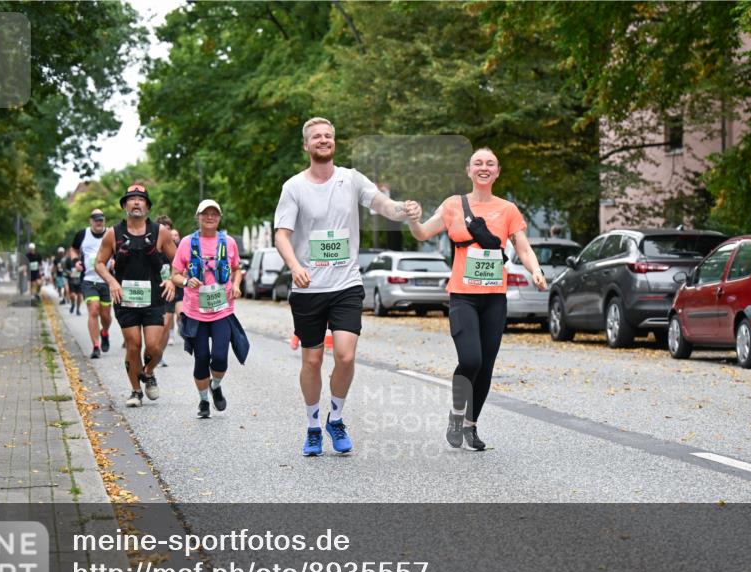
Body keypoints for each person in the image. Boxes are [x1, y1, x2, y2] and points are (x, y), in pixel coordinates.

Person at [273, 116, 421, 456]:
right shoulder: (293, 187)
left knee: (346, 354)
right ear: (306, 145)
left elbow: (382, 204)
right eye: (317, 137)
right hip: (309, 287)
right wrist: (295, 266)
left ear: (334, 142)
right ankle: (313, 426)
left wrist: (404, 209)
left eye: (328, 135)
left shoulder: (351, 179)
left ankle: (336, 418)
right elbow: (282, 234)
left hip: (346, 284)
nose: (323, 140)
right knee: (312, 361)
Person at [404, 147, 547, 451]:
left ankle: (471, 424)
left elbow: (522, 247)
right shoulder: (453, 205)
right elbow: (423, 233)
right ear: (468, 171)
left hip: (494, 299)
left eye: (490, 164)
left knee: (486, 366)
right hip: (463, 297)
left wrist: (535, 270)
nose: (484, 167)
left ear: (497, 172)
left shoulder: (508, 209)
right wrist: (413, 220)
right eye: (478, 163)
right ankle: (457, 414)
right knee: (471, 360)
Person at [94, 183, 177, 407]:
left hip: (154, 298)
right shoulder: (113, 233)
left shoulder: (160, 232)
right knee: (133, 345)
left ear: (147, 207)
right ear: (125, 206)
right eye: (131, 199)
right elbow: (99, 263)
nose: (136, 202)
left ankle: (148, 372)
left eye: (141, 199)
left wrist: (172, 279)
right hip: (125, 298)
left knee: (154, 347)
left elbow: (179, 261)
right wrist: (112, 282)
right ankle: (136, 391)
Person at [171, 199, 244, 417]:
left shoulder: (228, 242)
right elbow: (174, 275)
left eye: (214, 214)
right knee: (201, 358)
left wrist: (236, 285)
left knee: (220, 357)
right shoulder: (187, 243)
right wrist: (186, 281)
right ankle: (203, 401)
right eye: (205, 214)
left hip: (222, 310)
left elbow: (236, 269)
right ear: (198, 217)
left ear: (219, 218)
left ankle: (216, 386)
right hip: (195, 312)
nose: (210, 217)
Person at [72, 209, 113, 358]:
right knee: (93, 310)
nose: (98, 222)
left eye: (101, 220)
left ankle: (105, 332)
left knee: (106, 316)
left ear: (104, 220)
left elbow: (119, 251)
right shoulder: (82, 234)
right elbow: (73, 249)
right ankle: (96, 346)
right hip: (88, 279)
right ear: (91, 221)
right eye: (96, 220)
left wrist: (115, 261)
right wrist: (75, 261)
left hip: (106, 280)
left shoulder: (111, 233)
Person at [155, 215, 181, 366]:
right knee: (155, 327)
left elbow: (180, 266)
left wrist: (172, 279)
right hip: (153, 291)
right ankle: (153, 352)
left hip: (169, 290)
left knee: (166, 325)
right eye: (163, 228)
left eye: (169, 228)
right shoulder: (151, 246)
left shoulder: (174, 247)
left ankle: (159, 354)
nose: (167, 231)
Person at [62, 247, 83, 315]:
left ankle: (78, 309)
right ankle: (73, 304)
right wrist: (70, 273)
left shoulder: (81, 259)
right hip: (71, 280)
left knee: (79, 295)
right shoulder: (68, 260)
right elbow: (64, 269)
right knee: (73, 295)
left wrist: (81, 270)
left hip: (79, 280)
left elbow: (85, 268)